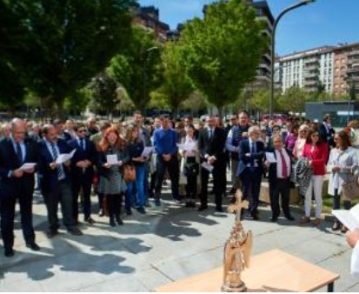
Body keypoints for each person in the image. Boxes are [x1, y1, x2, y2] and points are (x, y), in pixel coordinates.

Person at [0, 118, 40, 257]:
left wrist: (34, 168)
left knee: (27, 214)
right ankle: (8, 246)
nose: (21, 136)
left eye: (23, 132)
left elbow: (39, 160)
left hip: (27, 185)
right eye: (18, 132)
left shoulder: (31, 142)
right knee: (7, 218)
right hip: (8, 186)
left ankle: (30, 240)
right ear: (10, 130)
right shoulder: (2, 144)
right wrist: (10, 172)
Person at [38, 124, 83, 237]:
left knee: (68, 204)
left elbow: (69, 155)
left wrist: (69, 162)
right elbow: (37, 165)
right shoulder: (39, 146)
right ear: (44, 135)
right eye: (52, 134)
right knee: (52, 207)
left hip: (64, 179)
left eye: (56, 134)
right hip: (49, 182)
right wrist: (49, 166)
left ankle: (70, 225)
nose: (55, 136)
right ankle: (53, 227)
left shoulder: (62, 142)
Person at [97, 127, 129, 226]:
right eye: (110, 135)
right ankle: (111, 217)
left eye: (114, 135)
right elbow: (98, 160)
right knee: (110, 198)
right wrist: (104, 164)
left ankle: (118, 216)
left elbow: (127, 156)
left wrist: (122, 162)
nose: (112, 137)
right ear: (106, 136)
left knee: (118, 197)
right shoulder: (101, 146)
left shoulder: (122, 145)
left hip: (118, 174)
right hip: (107, 176)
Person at [327, 131, 357, 232]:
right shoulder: (333, 151)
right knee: (335, 203)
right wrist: (332, 168)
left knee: (346, 203)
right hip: (335, 181)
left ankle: (346, 223)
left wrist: (342, 168)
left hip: (346, 182)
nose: (334, 141)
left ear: (343, 139)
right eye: (334, 139)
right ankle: (336, 221)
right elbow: (329, 165)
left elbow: (355, 167)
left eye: (337, 139)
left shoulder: (352, 151)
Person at [68, 122, 98, 224]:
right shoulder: (70, 143)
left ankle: (87, 215)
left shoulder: (90, 142)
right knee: (74, 197)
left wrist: (89, 162)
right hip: (75, 174)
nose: (83, 133)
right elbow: (67, 159)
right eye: (80, 131)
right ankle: (74, 218)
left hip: (87, 173)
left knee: (87, 196)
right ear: (75, 132)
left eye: (85, 130)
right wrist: (76, 163)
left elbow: (95, 156)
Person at [300, 128, 328, 226]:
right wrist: (305, 162)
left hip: (318, 174)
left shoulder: (323, 145)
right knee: (307, 195)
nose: (315, 137)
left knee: (317, 196)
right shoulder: (306, 145)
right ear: (310, 136)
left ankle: (317, 217)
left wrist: (312, 162)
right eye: (313, 135)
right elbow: (303, 156)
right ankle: (307, 215)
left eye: (317, 135)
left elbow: (323, 160)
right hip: (307, 173)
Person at [198, 116, 227, 212]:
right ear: (206, 122)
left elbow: (221, 146)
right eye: (208, 121)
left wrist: (214, 157)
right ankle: (203, 204)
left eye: (212, 121)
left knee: (217, 183)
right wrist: (206, 156)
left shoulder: (221, 131)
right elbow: (200, 146)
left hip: (216, 161)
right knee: (204, 183)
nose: (210, 122)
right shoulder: (202, 131)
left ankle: (218, 205)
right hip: (205, 161)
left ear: (215, 121)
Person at [265, 134, 295, 222]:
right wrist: (266, 164)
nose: (277, 143)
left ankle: (287, 214)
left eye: (279, 141)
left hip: (286, 179)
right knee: (274, 199)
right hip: (275, 180)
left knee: (286, 199)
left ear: (282, 142)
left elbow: (291, 162)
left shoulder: (288, 151)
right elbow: (265, 165)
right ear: (273, 143)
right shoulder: (270, 152)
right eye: (275, 142)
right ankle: (275, 214)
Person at [237, 126, 264, 220]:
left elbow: (261, 155)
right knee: (244, 192)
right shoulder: (243, 143)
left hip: (256, 170)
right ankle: (240, 213)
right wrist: (254, 156)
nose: (256, 135)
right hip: (246, 171)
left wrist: (251, 155)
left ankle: (253, 211)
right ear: (249, 134)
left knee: (255, 193)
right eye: (254, 133)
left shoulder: (260, 144)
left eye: (257, 133)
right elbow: (241, 157)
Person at [153, 114, 180, 206]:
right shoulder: (156, 132)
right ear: (160, 121)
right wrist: (163, 154)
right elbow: (156, 145)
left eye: (167, 121)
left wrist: (170, 154)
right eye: (164, 121)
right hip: (161, 157)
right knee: (159, 177)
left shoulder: (173, 132)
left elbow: (176, 145)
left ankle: (176, 196)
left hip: (172, 157)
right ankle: (157, 197)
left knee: (174, 177)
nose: (166, 123)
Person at [226, 111, 250, 194]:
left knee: (247, 178)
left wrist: (250, 136)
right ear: (238, 119)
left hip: (248, 159)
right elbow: (228, 144)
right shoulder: (232, 130)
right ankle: (237, 195)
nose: (243, 119)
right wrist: (236, 149)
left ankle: (246, 197)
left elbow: (258, 142)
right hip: (236, 158)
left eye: (245, 117)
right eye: (241, 117)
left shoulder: (252, 129)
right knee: (236, 178)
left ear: (248, 118)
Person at [126, 124, 147, 214]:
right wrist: (135, 159)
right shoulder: (126, 143)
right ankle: (129, 205)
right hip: (130, 166)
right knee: (130, 187)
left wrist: (144, 157)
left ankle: (140, 205)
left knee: (140, 185)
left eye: (136, 131)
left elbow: (143, 153)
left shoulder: (140, 141)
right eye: (134, 131)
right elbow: (125, 156)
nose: (136, 133)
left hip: (140, 165)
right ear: (130, 132)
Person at [180, 124, 199, 208]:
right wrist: (182, 151)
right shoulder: (183, 139)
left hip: (194, 161)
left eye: (190, 131)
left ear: (193, 131)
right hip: (186, 161)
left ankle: (193, 199)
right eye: (187, 131)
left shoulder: (196, 139)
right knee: (186, 181)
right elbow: (180, 150)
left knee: (193, 181)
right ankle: (187, 199)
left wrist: (195, 150)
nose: (189, 132)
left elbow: (199, 149)